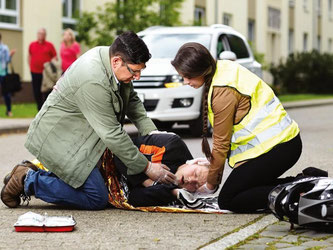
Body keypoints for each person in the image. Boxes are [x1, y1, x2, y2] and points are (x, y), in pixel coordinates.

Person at [1, 31, 176, 210]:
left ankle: (41, 173)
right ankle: (27, 180)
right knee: (96, 197)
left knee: (99, 183)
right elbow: (112, 134)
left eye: (140, 71)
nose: (137, 77)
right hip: (61, 140)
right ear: (117, 61)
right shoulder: (94, 79)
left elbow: (132, 101)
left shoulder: (114, 60)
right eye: (135, 71)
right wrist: (147, 168)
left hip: (82, 136)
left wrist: (153, 134)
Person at [171, 42, 303, 213]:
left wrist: (210, 186)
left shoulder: (222, 91)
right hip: (283, 144)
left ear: (202, 71)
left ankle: (298, 194)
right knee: (243, 188)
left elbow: (221, 143)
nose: (186, 82)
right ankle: (304, 182)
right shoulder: (223, 69)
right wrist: (214, 162)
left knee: (229, 199)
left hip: (279, 149)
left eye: (188, 77)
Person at [28, 28, 57, 110]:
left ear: (45, 35)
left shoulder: (49, 45)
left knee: (47, 91)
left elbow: (55, 57)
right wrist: (30, 66)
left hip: (46, 73)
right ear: (37, 34)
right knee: (36, 92)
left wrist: (51, 63)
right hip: (34, 72)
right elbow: (29, 56)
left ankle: (46, 109)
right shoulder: (32, 45)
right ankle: (39, 109)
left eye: (43, 33)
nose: (41, 35)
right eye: (39, 33)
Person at [0, 33, 16, 116]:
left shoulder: (4, 48)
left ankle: (9, 110)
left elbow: (7, 60)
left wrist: (10, 55)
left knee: (6, 94)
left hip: (3, 73)